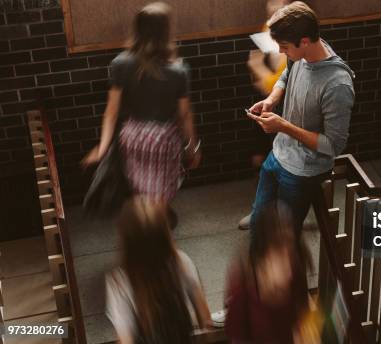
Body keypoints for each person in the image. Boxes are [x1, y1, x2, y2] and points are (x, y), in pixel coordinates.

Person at [82, 2, 201, 225]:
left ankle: (143, 232)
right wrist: (193, 146)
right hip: (164, 139)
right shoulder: (179, 69)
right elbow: (184, 115)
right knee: (160, 192)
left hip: (133, 136)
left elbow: (111, 112)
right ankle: (159, 228)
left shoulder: (119, 64)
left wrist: (102, 147)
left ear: (137, 30)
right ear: (166, 31)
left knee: (140, 189)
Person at [246, 1, 355, 234]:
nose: (279, 52)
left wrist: (284, 126)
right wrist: (272, 99)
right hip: (277, 155)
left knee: (284, 238)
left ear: (304, 41)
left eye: (283, 46)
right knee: (258, 224)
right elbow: (287, 72)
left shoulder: (337, 84)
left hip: (301, 171)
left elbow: (334, 145)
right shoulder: (302, 52)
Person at [106, 197, 213, 343]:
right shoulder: (182, 263)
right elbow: (206, 322)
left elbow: (126, 340)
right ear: (165, 233)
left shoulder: (119, 283)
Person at [225, 201, 312, 342]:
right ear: (261, 256)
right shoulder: (242, 289)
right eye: (277, 250)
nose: (286, 261)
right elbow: (236, 337)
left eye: (289, 249)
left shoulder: (296, 270)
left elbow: (301, 320)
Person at [239, 0, 291, 231]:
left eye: (278, 1)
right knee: (264, 161)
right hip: (271, 108)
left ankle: (271, 214)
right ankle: (268, 211)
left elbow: (274, 82)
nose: (271, 5)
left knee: (276, 163)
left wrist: (258, 67)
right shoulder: (271, 26)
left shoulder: (290, 32)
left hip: (284, 109)